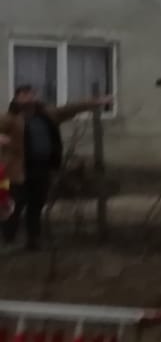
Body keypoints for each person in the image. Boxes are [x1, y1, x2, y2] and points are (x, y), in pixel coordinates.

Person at [0, 85, 112, 252]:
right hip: (18, 170)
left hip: (42, 168)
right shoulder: (10, 118)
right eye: (25, 95)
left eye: (31, 94)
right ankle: (8, 241)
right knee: (14, 206)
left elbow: (70, 108)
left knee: (36, 205)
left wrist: (95, 102)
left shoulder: (46, 114)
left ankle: (33, 241)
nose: (29, 97)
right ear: (17, 98)